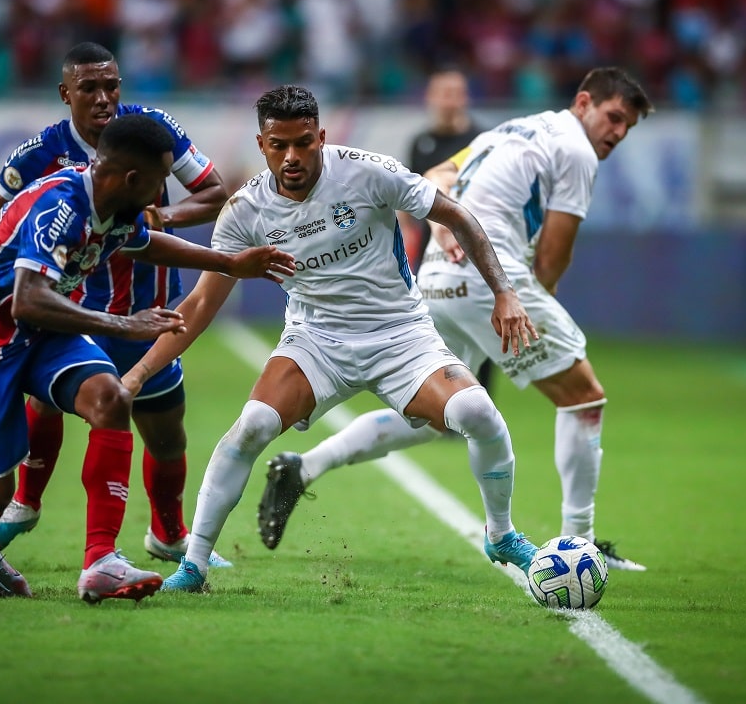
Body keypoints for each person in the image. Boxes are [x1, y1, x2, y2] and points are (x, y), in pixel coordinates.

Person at [119, 84, 539, 593]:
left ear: (320, 137)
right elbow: (201, 305)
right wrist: (140, 372)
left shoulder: (369, 171)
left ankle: (501, 535)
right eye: (279, 146)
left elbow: (454, 213)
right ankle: (194, 566)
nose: (292, 157)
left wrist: (505, 293)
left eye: (303, 143)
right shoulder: (245, 211)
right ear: (261, 144)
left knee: (477, 414)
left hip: (401, 334)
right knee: (250, 428)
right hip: (315, 340)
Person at [255, 68, 653, 572]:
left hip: (440, 278)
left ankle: (304, 466)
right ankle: (582, 546)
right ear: (583, 104)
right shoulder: (575, 150)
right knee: (583, 396)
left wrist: (445, 236)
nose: (616, 132)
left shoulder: (513, 129)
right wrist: (521, 305)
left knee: (427, 420)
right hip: (489, 280)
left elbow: (437, 176)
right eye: (613, 117)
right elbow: (552, 256)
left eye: (627, 126)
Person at [0, 42, 233, 567]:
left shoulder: (150, 130)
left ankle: (163, 535)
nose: (104, 98)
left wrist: (157, 219)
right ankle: (26, 504)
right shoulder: (43, 156)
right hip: (65, 309)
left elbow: (215, 194)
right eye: (89, 88)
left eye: (112, 86)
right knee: (55, 401)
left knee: (165, 430)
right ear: (66, 94)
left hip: (148, 306)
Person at [0, 114, 293, 601]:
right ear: (135, 179)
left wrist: (228, 262)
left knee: (111, 398)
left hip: (43, 334)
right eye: (162, 181)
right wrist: (124, 324)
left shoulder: (116, 203)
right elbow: (26, 299)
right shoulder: (61, 207)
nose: (166, 192)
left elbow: (143, 243)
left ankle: (100, 559)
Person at [405, 69, 494, 394]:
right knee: (431, 330)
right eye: (442, 92)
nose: (448, 100)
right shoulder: (421, 143)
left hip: (472, 251)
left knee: (479, 330)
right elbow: (408, 196)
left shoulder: (481, 142)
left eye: (455, 92)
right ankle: (442, 403)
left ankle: (479, 404)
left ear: (465, 97)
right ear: (430, 97)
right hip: (430, 252)